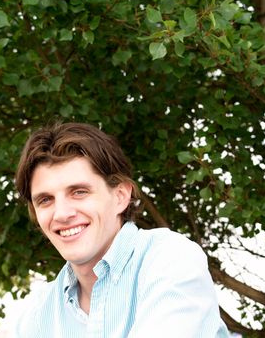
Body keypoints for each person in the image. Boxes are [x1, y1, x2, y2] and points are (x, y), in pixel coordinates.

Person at [14, 122, 229, 337]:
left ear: (120, 196)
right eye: (45, 200)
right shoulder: (37, 313)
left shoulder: (171, 259)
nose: (61, 213)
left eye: (79, 192)